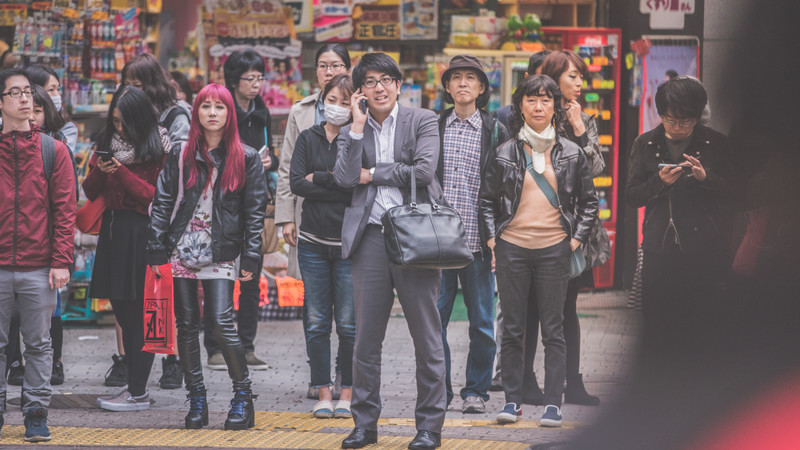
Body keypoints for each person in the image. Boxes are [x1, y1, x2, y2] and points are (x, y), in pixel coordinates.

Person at [333, 53, 446, 450]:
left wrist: (375, 172)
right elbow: (345, 178)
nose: (378, 87)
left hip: (415, 237)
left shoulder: (423, 120)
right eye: (369, 81)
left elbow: (423, 172)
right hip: (372, 240)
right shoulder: (355, 126)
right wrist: (358, 129)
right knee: (366, 341)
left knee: (427, 338)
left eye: (386, 79)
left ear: (399, 85)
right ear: (360, 91)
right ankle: (364, 425)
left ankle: (429, 427)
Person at [479, 75, 597, 427]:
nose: (539, 106)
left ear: (555, 107)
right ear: (520, 107)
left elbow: (590, 203)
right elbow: (486, 201)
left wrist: (574, 239)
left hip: (553, 250)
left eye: (546, 100)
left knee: (553, 329)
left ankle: (552, 403)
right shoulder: (504, 153)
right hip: (513, 248)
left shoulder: (572, 153)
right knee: (513, 329)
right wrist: (492, 239)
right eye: (531, 100)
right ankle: (512, 402)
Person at [147, 83, 267, 430]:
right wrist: (156, 248)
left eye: (220, 107)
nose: (212, 113)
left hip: (222, 251)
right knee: (186, 325)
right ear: (196, 111)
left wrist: (252, 258)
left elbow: (254, 213)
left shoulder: (246, 157)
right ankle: (196, 398)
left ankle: (242, 397)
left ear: (230, 115)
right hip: (180, 249)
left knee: (220, 322)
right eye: (205, 106)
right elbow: (164, 200)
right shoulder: (181, 153)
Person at [514, 49, 606, 406]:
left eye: (581, 77)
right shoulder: (527, 116)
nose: (579, 83)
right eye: (572, 76)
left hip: (571, 233)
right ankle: (525, 381)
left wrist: (581, 129)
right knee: (533, 309)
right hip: (532, 227)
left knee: (568, 308)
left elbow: (595, 169)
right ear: (553, 78)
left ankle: (573, 382)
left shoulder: (585, 120)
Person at [626, 76, 731, 357]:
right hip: (658, 249)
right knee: (657, 324)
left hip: (703, 250)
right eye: (670, 119)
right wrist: (660, 182)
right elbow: (632, 196)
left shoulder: (716, 144)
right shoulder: (646, 144)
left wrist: (704, 178)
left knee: (700, 324)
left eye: (685, 121)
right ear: (660, 114)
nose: (677, 127)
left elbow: (735, 194)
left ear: (697, 117)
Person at [84, 86, 171, 412]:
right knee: (121, 310)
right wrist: (101, 171)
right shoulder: (108, 143)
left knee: (139, 315)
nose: (119, 129)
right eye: (115, 121)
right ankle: (134, 387)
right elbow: (90, 191)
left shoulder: (161, 145)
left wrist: (120, 173)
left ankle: (137, 392)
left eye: (124, 123)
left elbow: (155, 198)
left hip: (142, 234)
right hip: (113, 231)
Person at [0, 68, 76, 442]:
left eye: (28, 91)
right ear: (1, 103)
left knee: (39, 344)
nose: (24, 98)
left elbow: (65, 210)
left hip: (38, 265)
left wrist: (61, 260)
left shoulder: (52, 150)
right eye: (14, 92)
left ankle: (35, 413)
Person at [275, 43, 351, 400]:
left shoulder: (359, 117)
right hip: (307, 222)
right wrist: (284, 216)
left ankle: (343, 378)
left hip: (346, 229)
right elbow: (289, 168)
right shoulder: (301, 112)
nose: (330, 71)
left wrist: (321, 179)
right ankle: (317, 375)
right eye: (323, 65)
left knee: (348, 316)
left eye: (336, 65)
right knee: (315, 307)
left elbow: (354, 180)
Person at [435, 54, 509, 414]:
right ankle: (440, 389)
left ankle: (476, 392)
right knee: (435, 321)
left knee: (481, 322)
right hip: (436, 244)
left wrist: (500, 236)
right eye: (456, 78)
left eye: (471, 78)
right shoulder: (432, 127)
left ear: (481, 88)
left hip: (480, 243)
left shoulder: (495, 130)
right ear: (447, 87)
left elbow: (506, 187)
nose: (463, 83)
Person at [200, 49, 276, 373]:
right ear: (234, 80)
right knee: (219, 278)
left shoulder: (262, 112)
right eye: (250, 78)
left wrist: (266, 162)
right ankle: (215, 346)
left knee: (250, 275)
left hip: (253, 200)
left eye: (260, 77)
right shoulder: (222, 110)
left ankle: (247, 345)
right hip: (222, 203)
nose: (256, 84)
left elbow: (267, 149)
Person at [119, 54, 190, 389]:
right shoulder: (126, 117)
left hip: (171, 218)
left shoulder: (176, 115)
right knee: (139, 296)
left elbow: (179, 167)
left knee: (166, 293)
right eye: (127, 85)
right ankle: (135, 362)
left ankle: (173, 361)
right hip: (135, 218)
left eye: (136, 85)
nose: (131, 91)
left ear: (153, 83)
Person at [289, 74, 356, 419]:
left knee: (347, 323)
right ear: (322, 101)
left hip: (347, 245)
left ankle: (347, 392)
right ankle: (323, 392)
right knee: (316, 321)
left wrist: (323, 178)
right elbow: (297, 183)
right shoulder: (307, 137)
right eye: (333, 100)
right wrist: (338, 182)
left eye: (346, 102)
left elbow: (355, 186)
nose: (339, 108)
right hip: (312, 242)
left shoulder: (358, 139)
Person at [489, 49, 550, 393]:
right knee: (509, 310)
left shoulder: (565, 124)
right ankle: (507, 374)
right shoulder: (504, 116)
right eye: (539, 84)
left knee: (549, 317)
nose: (543, 96)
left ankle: (540, 381)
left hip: (550, 231)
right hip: (512, 225)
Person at [24, 64, 78, 153]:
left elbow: (64, 159)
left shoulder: (65, 129)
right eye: (51, 90)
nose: (57, 95)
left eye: (58, 89)